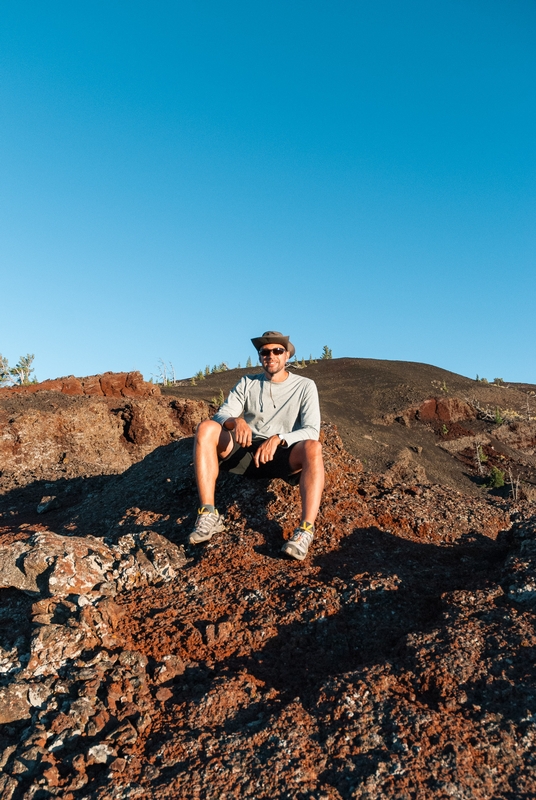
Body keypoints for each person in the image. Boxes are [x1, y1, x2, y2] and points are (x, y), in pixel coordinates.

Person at [189, 331, 324, 560]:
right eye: (265, 351)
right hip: (246, 450)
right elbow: (221, 414)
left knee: (313, 447)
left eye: (277, 351)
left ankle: (304, 531)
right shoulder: (247, 382)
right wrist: (236, 421)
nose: (270, 355)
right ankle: (208, 514)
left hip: (282, 454)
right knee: (206, 428)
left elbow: (312, 429)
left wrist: (279, 438)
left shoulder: (305, 386)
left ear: (287, 355)